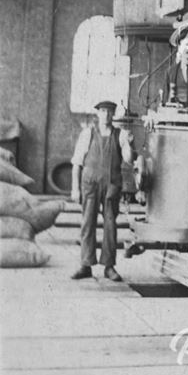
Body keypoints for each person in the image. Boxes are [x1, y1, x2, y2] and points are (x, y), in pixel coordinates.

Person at [69, 101, 136, 281]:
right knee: (87, 224)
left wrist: (130, 144)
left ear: (113, 115)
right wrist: (75, 189)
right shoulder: (87, 133)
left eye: (110, 112)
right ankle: (85, 265)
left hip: (111, 186)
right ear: (97, 114)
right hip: (90, 184)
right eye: (103, 111)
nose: (106, 115)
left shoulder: (121, 135)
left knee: (110, 226)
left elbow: (129, 160)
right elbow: (76, 163)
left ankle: (109, 266)